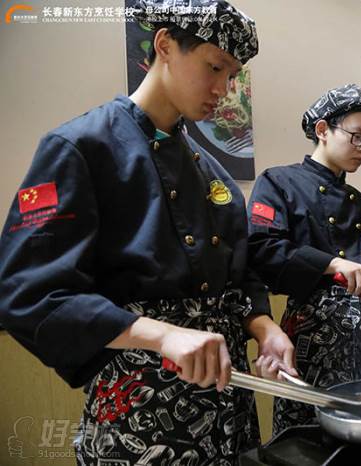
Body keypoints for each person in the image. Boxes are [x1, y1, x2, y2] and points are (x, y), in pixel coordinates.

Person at [0, 1, 295, 463]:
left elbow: (239, 277)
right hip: (140, 408)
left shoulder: (213, 174)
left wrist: (263, 326)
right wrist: (161, 335)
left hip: (227, 409)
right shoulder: (80, 147)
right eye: (214, 66)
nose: (224, 89)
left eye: (232, 75)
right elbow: (25, 292)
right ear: (164, 45)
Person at [247, 84, 361, 433]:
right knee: (307, 435)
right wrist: (333, 263)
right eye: (356, 137)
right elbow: (261, 248)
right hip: (310, 336)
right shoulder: (279, 182)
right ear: (323, 130)